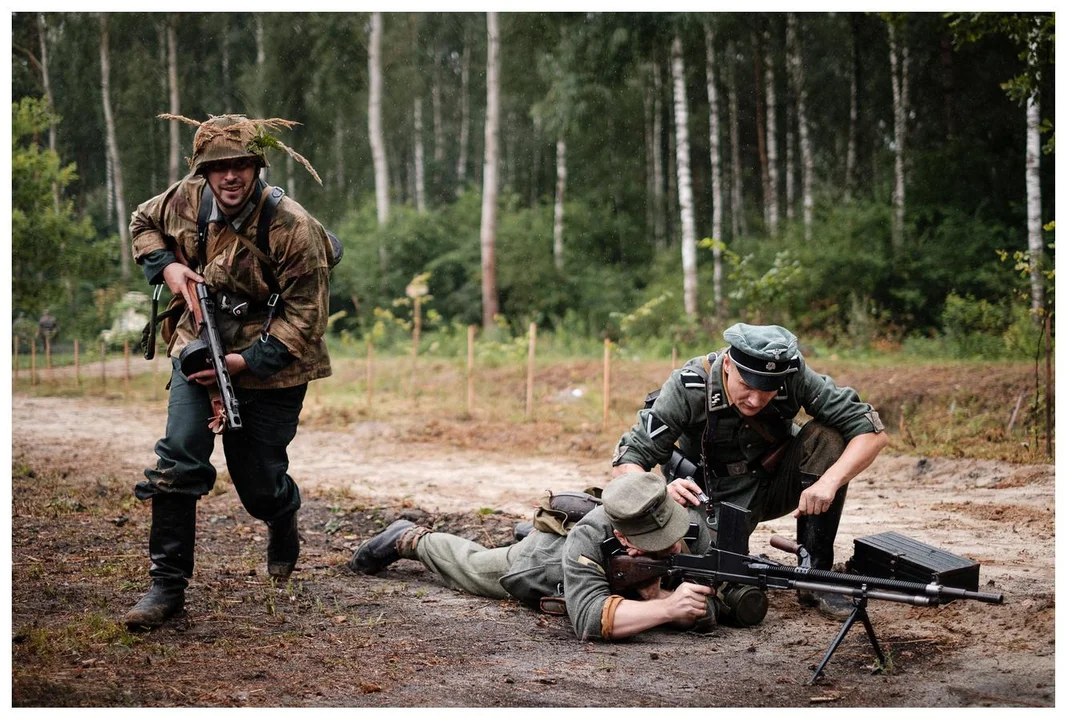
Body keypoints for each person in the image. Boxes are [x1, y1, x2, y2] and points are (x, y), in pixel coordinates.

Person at [123, 114, 332, 629]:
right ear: (203, 172)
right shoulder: (184, 200)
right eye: (219, 168)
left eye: (241, 165)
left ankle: (282, 515)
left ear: (256, 167)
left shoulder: (292, 226)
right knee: (180, 456)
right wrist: (168, 268)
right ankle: (166, 587)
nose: (230, 177)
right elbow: (142, 223)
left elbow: (307, 313)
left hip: (272, 360)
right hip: (199, 344)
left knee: (258, 484)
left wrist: (245, 363)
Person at [611, 323, 888, 619]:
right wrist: (659, 496)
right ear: (728, 365)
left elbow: (872, 433)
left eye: (767, 390)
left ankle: (816, 578)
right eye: (747, 386)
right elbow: (628, 459)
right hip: (713, 500)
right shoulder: (689, 387)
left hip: (776, 484)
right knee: (702, 577)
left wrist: (829, 481)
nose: (756, 400)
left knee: (828, 436)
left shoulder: (793, 375)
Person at [348, 472, 723, 641]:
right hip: (546, 562)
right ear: (623, 538)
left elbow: (716, 600)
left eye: (670, 533)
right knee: (475, 568)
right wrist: (665, 608)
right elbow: (590, 621)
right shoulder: (589, 535)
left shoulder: (689, 520)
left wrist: (678, 601)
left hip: (614, 575)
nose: (673, 544)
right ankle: (411, 539)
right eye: (657, 541)